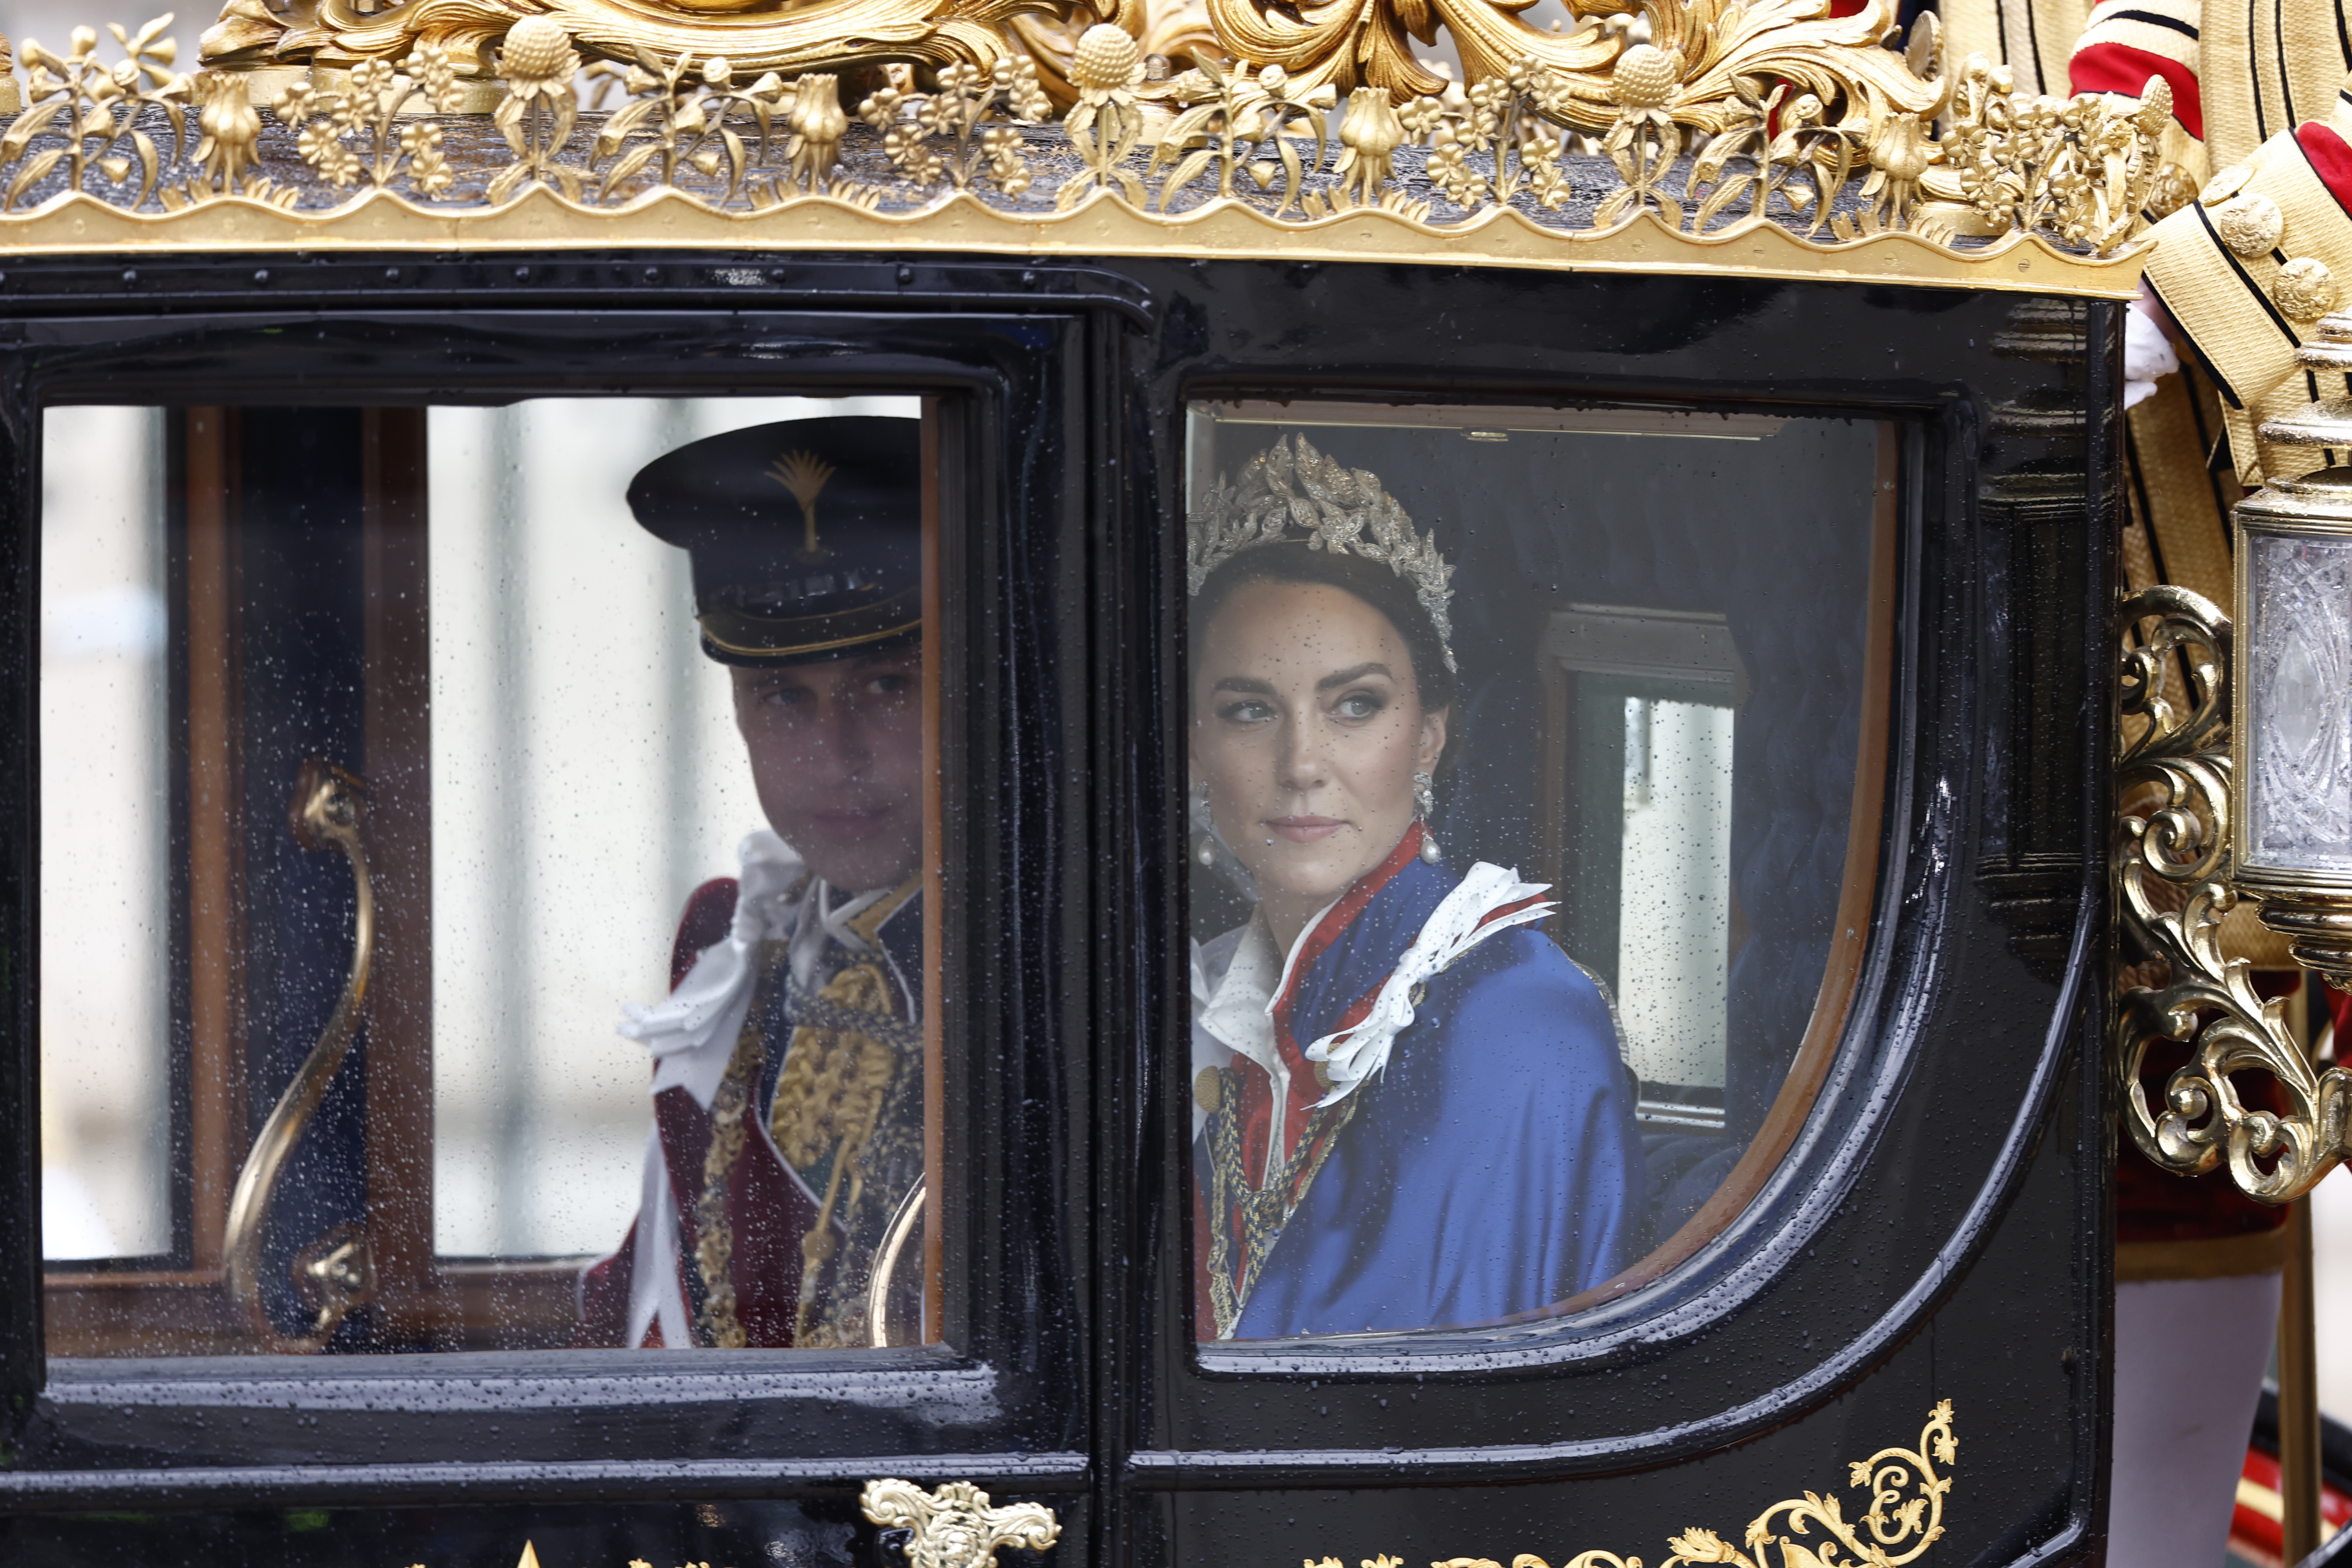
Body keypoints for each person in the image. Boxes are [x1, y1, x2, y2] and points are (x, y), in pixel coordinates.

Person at [1186, 434, 1643, 1340]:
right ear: (1194, 744)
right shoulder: (1211, 996)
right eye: (1250, 710)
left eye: (1355, 705)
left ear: (1429, 737)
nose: (1301, 764)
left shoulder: (1517, 1020)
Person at [576, 414, 929, 1350]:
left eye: (890, 685)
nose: (836, 754)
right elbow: (663, 1298)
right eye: (784, 698)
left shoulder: (1051, 947)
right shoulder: (730, 938)